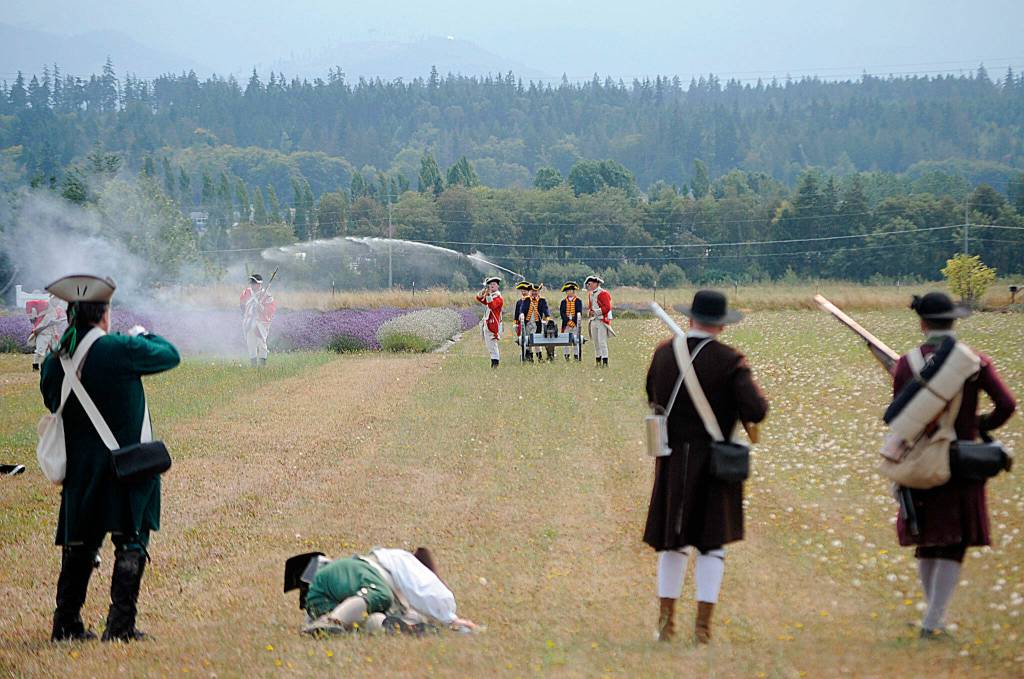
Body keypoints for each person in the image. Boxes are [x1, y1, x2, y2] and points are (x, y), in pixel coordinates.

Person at [40, 274, 181, 642]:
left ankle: (66, 624)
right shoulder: (120, 348)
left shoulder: (56, 362)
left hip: (82, 472)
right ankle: (120, 627)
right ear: (104, 313)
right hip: (127, 467)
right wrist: (142, 334)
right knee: (131, 541)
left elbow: (52, 401)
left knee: (79, 545)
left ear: (71, 316)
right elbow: (169, 354)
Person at [643, 290, 768, 644]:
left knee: (672, 545)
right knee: (711, 546)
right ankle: (702, 630)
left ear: (690, 318)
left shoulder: (664, 354)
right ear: (722, 325)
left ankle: (665, 626)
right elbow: (756, 410)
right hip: (714, 464)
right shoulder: (730, 361)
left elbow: (652, 397)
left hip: (672, 460)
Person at [890, 292, 1016, 639]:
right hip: (962, 459)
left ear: (922, 323)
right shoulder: (975, 362)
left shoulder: (907, 364)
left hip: (920, 459)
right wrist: (978, 425)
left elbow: (901, 417)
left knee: (928, 539)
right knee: (953, 542)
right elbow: (1007, 405)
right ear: (953, 321)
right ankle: (934, 620)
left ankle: (933, 618)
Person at [296, 547, 478, 635]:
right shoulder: (405, 563)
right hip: (346, 572)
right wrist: (451, 619)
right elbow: (431, 594)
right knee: (381, 595)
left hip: (321, 602)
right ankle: (332, 621)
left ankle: (326, 623)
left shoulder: (400, 588)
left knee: (373, 620)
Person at [240, 273, 277, 367]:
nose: (252, 284)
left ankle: (262, 365)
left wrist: (262, 308)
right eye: (251, 282)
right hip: (249, 321)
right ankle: (253, 365)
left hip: (260, 323)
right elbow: (242, 304)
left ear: (259, 284)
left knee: (261, 343)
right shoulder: (246, 292)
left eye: (254, 283)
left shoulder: (267, 295)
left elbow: (271, 310)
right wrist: (248, 309)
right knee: (250, 343)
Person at [27, 295, 67, 371]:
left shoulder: (57, 309)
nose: (57, 301)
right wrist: (33, 316)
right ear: (52, 299)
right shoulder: (44, 306)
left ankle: (53, 367)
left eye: (58, 300)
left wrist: (57, 322)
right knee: (40, 351)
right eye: (56, 299)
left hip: (53, 333)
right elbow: (40, 320)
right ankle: (35, 367)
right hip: (43, 332)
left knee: (55, 351)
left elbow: (56, 320)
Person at [585, 275, 613, 366]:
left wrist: (595, 312)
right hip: (593, 320)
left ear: (596, 283)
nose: (589, 286)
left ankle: (605, 361)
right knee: (596, 342)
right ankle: (598, 361)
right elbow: (590, 306)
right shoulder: (590, 294)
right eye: (588, 284)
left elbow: (607, 307)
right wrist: (590, 312)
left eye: (590, 284)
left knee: (602, 342)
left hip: (601, 320)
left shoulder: (603, 293)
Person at [475, 276, 503, 368]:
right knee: (490, 346)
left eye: (494, 284)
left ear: (498, 286)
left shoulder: (498, 298)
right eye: (490, 284)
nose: (492, 286)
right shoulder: (491, 296)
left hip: (493, 324)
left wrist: (488, 295)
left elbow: (492, 305)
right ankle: (494, 364)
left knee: (493, 346)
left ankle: (495, 365)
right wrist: (484, 291)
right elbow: (479, 298)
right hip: (488, 324)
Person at [521, 284, 551, 362]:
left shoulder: (542, 300)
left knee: (536, 340)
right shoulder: (526, 300)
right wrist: (522, 315)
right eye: (533, 291)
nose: (534, 293)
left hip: (537, 324)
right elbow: (522, 309)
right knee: (528, 340)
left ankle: (539, 358)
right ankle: (530, 358)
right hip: (528, 323)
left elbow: (546, 309)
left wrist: (547, 317)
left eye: (536, 291)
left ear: (538, 292)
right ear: (530, 291)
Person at [559, 281, 583, 361]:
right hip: (566, 324)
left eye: (570, 290)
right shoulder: (563, 302)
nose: (568, 292)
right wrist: (568, 322)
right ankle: (566, 356)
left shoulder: (578, 301)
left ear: (573, 291)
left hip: (575, 324)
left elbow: (579, 312)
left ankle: (576, 356)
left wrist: (573, 322)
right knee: (565, 340)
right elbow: (562, 313)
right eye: (567, 291)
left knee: (576, 340)